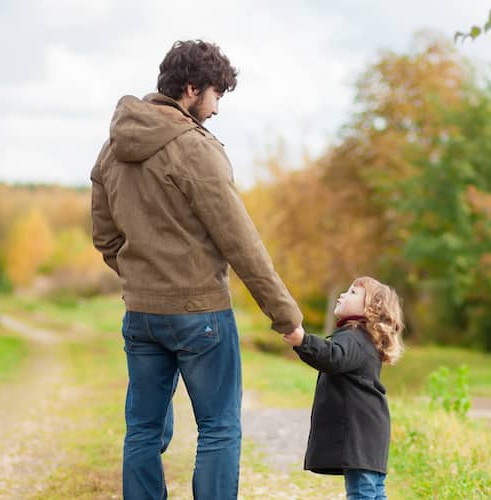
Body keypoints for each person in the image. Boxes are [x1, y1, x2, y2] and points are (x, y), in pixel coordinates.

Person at [91, 39, 303, 500]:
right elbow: (241, 242)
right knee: (220, 428)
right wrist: (286, 315)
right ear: (191, 89)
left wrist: (142, 280)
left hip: (141, 315)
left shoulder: (112, 149)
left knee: (142, 430)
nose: (217, 107)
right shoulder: (194, 149)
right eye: (216, 94)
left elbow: (105, 238)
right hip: (200, 315)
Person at [283, 276, 404, 500]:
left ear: (371, 308)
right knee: (374, 492)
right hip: (371, 431)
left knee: (362, 494)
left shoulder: (355, 337)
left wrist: (303, 341)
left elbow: (332, 357)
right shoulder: (364, 339)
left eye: (352, 293)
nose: (342, 295)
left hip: (360, 431)